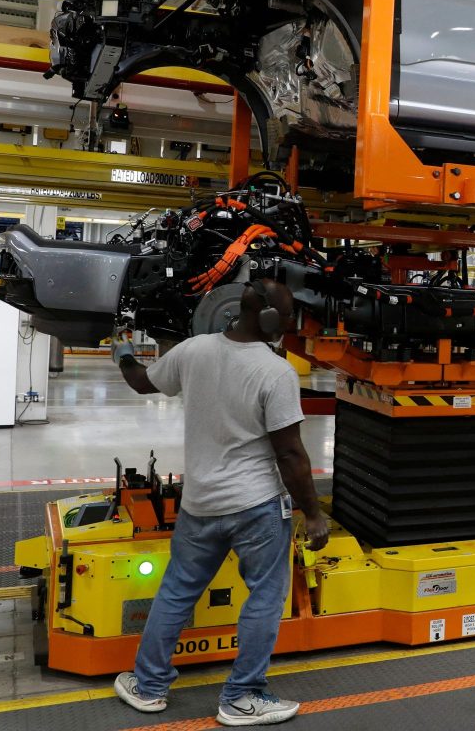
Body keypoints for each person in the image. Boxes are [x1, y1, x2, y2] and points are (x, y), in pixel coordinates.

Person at [110, 278, 330, 726]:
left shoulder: (194, 351)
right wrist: (313, 512)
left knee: (176, 592)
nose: (290, 323)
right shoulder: (275, 372)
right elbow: (290, 454)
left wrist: (122, 351)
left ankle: (148, 686)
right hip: (256, 506)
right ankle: (243, 696)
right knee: (265, 598)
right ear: (269, 319)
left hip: (200, 503)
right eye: (288, 316)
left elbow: (140, 383)